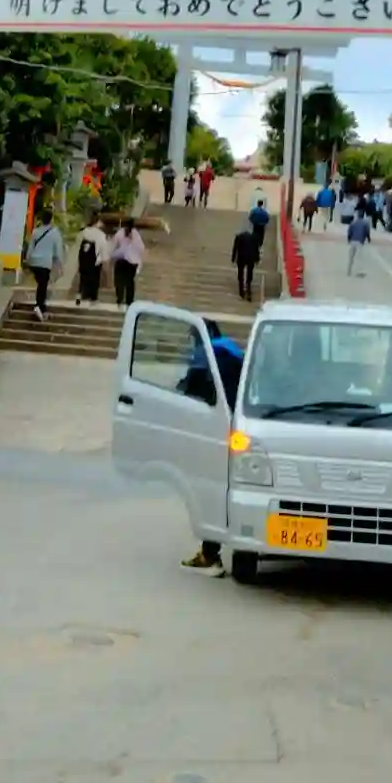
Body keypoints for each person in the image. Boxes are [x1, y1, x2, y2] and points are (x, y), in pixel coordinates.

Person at [181, 320, 244, 574]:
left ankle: (210, 556)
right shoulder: (232, 350)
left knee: (210, 491)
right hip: (239, 425)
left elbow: (190, 388)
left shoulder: (205, 354)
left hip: (214, 428)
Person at [24, 205, 65, 320]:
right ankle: (39, 306)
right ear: (51, 219)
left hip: (34, 262)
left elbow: (30, 248)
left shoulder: (35, 232)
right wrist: (60, 264)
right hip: (45, 263)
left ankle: (41, 306)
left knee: (41, 283)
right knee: (43, 285)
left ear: (41, 219)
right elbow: (58, 251)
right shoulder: (55, 233)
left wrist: (28, 260)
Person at [110, 217, 146, 306]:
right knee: (129, 282)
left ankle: (120, 298)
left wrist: (112, 254)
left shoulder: (120, 233)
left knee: (119, 281)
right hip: (132, 263)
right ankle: (129, 300)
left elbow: (113, 245)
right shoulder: (136, 234)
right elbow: (141, 248)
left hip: (121, 260)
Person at [75, 214, 107, 305]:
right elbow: (103, 248)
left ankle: (79, 295)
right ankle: (93, 298)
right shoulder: (100, 234)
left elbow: (78, 244)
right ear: (97, 222)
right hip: (95, 260)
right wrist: (104, 259)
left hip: (83, 259)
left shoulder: (84, 232)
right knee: (94, 280)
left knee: (83, 279)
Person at [232, 218, 261, 299]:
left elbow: (235, 248)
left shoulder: (239, 236)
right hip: (251, 258)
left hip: (241, 257)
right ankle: (248, 289)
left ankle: (241, 291)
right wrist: (257, 258)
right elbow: (256, 249)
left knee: (240, 274)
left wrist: (233, 258)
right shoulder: (254, 237)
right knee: (249, 274)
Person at [346, 204, 371, 277]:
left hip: (352, 241)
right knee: (359, 257)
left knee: (351, 257)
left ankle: (349, 270)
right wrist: (368, 239)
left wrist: (349, 239)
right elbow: (367, 232)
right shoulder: (365, 223)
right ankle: (359, 272)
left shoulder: (353, 222)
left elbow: (349, 232)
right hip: (360, 241)